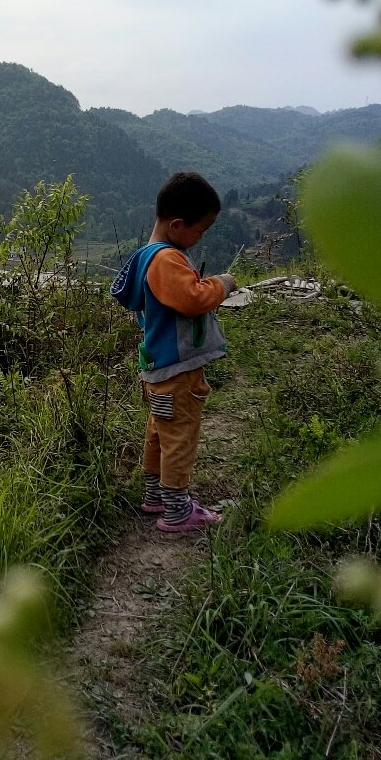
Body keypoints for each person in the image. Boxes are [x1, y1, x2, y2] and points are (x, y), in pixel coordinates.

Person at [110, 172, 237, 532]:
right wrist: (222, 284)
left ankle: (155, 496)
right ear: (177, 224)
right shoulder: (167, 260)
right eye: (202, 230)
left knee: (159, 432)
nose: (201, 238)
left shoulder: (145, 256)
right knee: (180, 434)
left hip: (158, 368)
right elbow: (193, 299)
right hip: (178, 371)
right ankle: (178, 511)